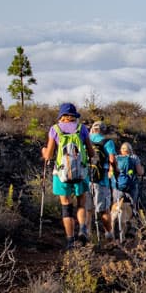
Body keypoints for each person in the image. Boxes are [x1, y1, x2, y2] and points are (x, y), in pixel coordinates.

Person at [41, 103, 96, 249]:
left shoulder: (55, 129)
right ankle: (83, 229)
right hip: (81, 172)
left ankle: (70, 241)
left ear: (61, 116)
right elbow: (91, 153)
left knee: (66, 206)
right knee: (81, 203)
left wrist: (44, 151)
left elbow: (49, 155)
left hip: (61, 173)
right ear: (74, 116)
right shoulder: (82, 128)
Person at [87, 121, 118, 242]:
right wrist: (116, 171)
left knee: (87, 209)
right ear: (103, 130)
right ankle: (109, 235)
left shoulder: (86, 140)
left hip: (86, 178)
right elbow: (112, 159)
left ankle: (86, 235)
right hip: (101, 180)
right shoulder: (107, 142)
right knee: (104, 209)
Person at [113, 141, 145, 208]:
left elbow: (112, 171)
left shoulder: (116, 158)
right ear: (130, 150)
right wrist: (143, 169)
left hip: (118, 186)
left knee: (116, 206)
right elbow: (140, 172)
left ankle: (116, 218)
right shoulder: (134, 158)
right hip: (131, 186)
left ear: (121, 150)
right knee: (132, 206)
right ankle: (133, 215)